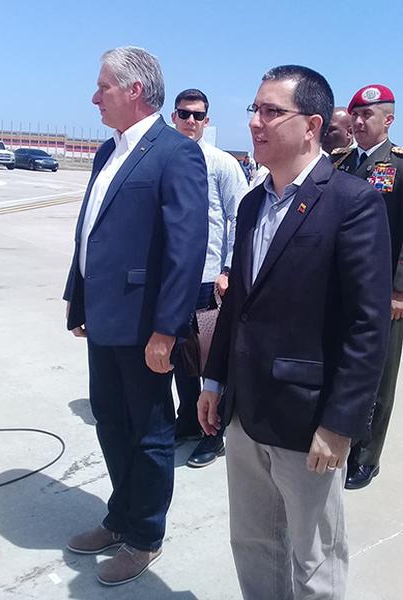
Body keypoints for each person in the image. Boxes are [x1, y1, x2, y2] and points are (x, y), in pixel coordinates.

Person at [198, 65, 391, 599]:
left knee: (315, 561)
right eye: (254, 110)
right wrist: (214, 382)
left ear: (309, 125)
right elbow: (239, 301)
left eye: (270, 111)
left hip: (307, 421)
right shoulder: (252, 202)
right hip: (245, 410)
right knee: (254, 544)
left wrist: (341, 423)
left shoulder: (353, 202)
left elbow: (366, 325)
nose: (256, 122)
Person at [63, 46, 208, 586]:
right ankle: (120, 515)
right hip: (104, 319)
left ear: (134, 90)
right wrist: (78, 301)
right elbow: (92, 232)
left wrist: (166, 329)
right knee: (111, 421)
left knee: (148, 433)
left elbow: (185, 249)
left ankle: (145, 535)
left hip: (147, 325)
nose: (94, 96)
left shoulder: (175, 153)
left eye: (103, 86)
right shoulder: (108, 151)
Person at [171, 88, 248, 467]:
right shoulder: (164, 160)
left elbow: (240, 219)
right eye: (184, 114)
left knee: (208, 362)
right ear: (174, 116)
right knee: (178, 356)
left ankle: (211, 434)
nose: (190, 121)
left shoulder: (220, 164)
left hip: (207, 280)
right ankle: (187, 420)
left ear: (207, 121)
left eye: (197, 116)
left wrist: (229, 269)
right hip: (173, 281)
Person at [331, 84, 403, 490]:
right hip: (342, 287)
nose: (357, 122)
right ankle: (342, 438)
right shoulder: (341, 163)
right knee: (344, 366)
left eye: (367, 116)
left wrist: (398, 289)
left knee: (379, 376)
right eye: (355, 115)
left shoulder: (399, 165)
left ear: (388, 120)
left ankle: (366, 457)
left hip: (383, 294)